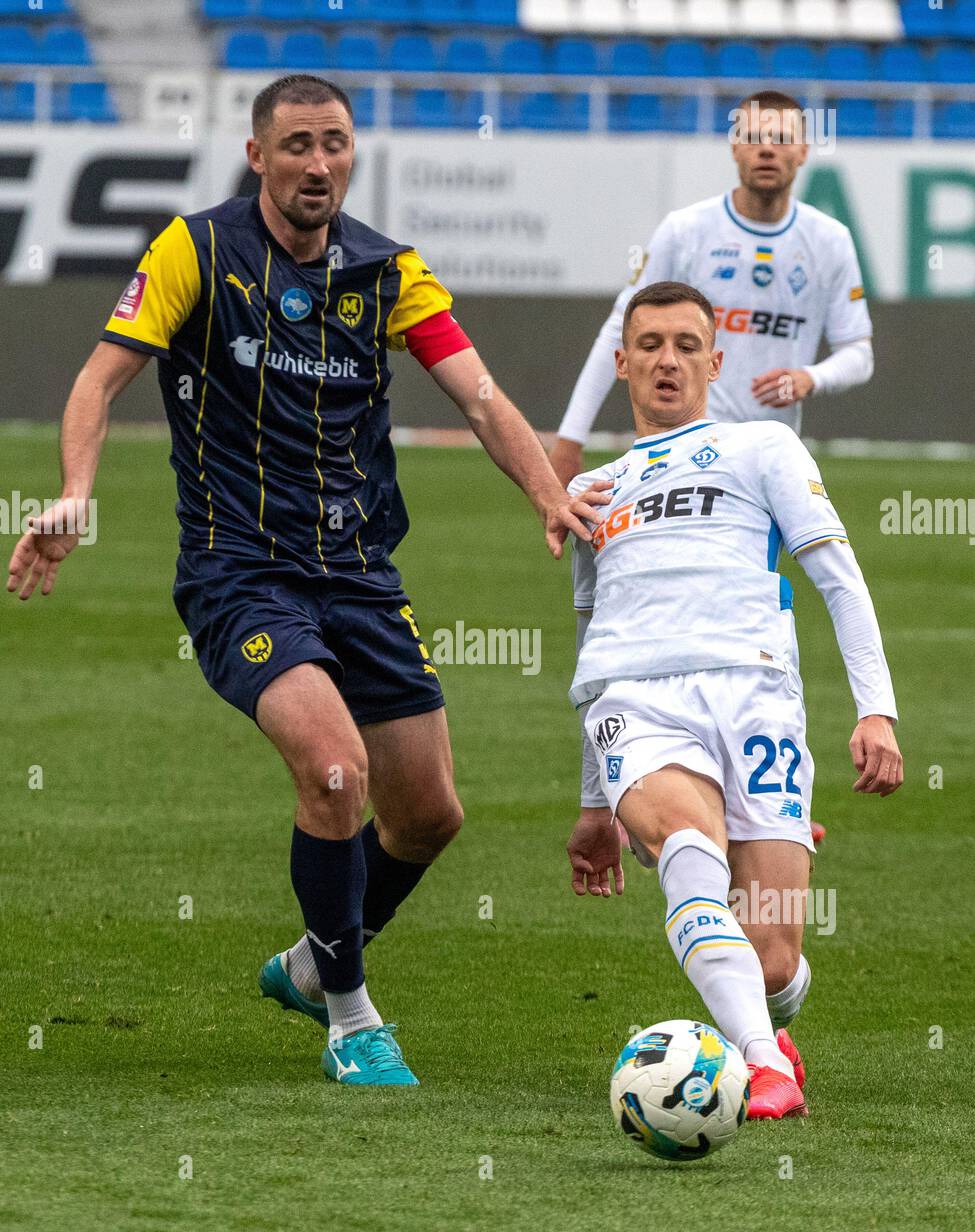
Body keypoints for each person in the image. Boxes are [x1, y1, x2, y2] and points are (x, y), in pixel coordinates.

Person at [7, 73, 595, 1089]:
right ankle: (352, 1015)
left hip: (362, 575)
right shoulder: (196, 250)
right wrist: (74, 492)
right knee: (333, 772)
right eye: (296, 146)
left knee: (430, 815)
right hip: (241, 575)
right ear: (257, 156)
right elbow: (101, 377)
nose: (317, 164)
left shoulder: (387, 269)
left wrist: (548, 494)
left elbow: (482, 396)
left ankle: (308, 961)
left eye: (334, 144)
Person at [565, 281, 902, 1119]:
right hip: (635, 699)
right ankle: (762, 1068)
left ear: (714, 361)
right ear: (622, 362)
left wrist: (875, 708)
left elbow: (837, 576)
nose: (666, 360)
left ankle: (767, 1021)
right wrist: (591, 802)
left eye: (685, 344)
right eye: (648, 345)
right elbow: (589, 634)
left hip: (755, 700)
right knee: (686, 842)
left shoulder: (761, 448)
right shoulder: (593, 491)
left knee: (775, 962)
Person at [552, 90, 874, 848]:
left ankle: (765, 797)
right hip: (674, 463)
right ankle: (748, 806)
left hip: (760, 465)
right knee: (676, 622)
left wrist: (809, 378)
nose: (766, 149)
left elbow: (860, 347)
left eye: (781, 138)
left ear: (802, 152)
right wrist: (569, 434)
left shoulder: (826, 241)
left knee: (749, 621)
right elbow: (622, 325)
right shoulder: (685, 231)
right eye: (753, 136)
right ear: (734, 148)